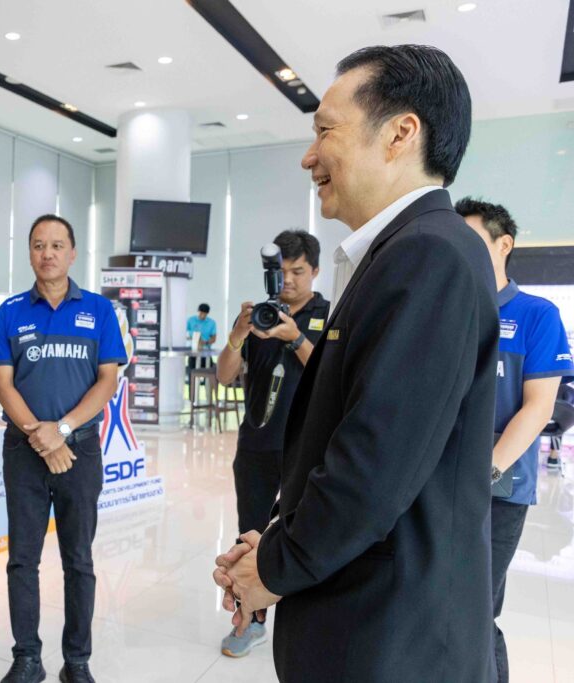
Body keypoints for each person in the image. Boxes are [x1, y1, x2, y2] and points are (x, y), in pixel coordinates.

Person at [213, 45, 499, 683]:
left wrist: (275, 566)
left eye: (325, 131)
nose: (308, 156)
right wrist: (279, 542)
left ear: (400, 134)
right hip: (364, 613)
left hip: (392, 635)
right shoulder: (398, 254)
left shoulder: (431, 255)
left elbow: (373, 464)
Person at [0, 214, 127, 683]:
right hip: (23, 451)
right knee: (22, 559)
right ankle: (27, 657)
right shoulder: (9, 312)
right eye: (38, 245)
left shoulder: (99, 311)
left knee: (78, 560)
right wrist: (41, 437)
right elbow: (3, 384)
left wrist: (62, 429)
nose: (47, 253)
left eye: (57, 245)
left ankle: (77, 660)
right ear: (30, 252)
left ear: (72, 253)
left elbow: (107, 381)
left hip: (80, 451)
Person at [456, 197, 574, 683]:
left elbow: (538, 407)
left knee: (477, 609)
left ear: (504, 244)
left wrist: (481, 474)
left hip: (498, 490)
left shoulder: (536, 315)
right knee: (438, 603)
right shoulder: (447, 309)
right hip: (434, 482)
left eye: (472, 240)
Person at [214, 230, 328, 658]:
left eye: (298, 271)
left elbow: (330, 377)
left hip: (308, 448)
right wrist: (238, 334)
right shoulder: (259, 315)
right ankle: (250, 621)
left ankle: (305, 626)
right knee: (250, 535)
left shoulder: (328, 316)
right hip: (257, 443)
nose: (289, 280)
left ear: (315, 270)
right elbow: (224, 375)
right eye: (282, 272)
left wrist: (295, 337)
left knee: (307, 539)